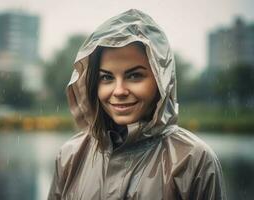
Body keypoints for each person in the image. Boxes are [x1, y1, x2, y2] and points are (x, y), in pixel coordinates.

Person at [48, 9, 226, 200]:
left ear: (161, 81)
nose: (119, 91)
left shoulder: (194, 161)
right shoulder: (70, 156)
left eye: (134, 76)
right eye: (107, 77)